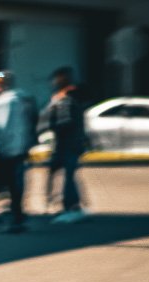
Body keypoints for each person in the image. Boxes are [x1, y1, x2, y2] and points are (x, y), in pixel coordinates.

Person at [0, 71, 36, 232]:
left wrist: (1, 145)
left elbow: (2, 127)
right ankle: (16, 216)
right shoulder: (22, 99)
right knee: (14, 184)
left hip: (7, 149)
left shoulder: (4, 102)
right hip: (18, 148)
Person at [43, 66, 87, 223]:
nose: (54, 82)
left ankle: (71, 207)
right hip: (67, 143)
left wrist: (50, 128)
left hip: (67, 144)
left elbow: (65, 122)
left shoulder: (65, 98)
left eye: (56, 79)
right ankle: (68, 205)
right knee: (65, 175)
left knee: (67, 176)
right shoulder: (66, 96)